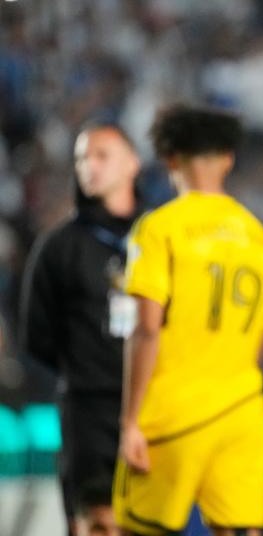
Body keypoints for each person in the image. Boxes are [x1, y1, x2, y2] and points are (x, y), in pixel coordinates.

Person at [113, 106, 263, 536]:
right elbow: (261, 341)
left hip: (174, 414)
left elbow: (147, 327)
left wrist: (131, 420)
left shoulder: (158, 230)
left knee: (139, 527)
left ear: (170, 159)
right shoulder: (260, 238)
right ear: (228, 158)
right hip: (242, 414)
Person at [19, 124, 141, 535]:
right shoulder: (58, 247)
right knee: (92, 522)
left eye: (102, 155)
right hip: (87, 413)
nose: (90, 166)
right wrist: (87, 369)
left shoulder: (160, 237)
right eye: (82, 158)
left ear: (132, 163)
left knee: (146, 522)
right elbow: (36, 335)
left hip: (152, 409)